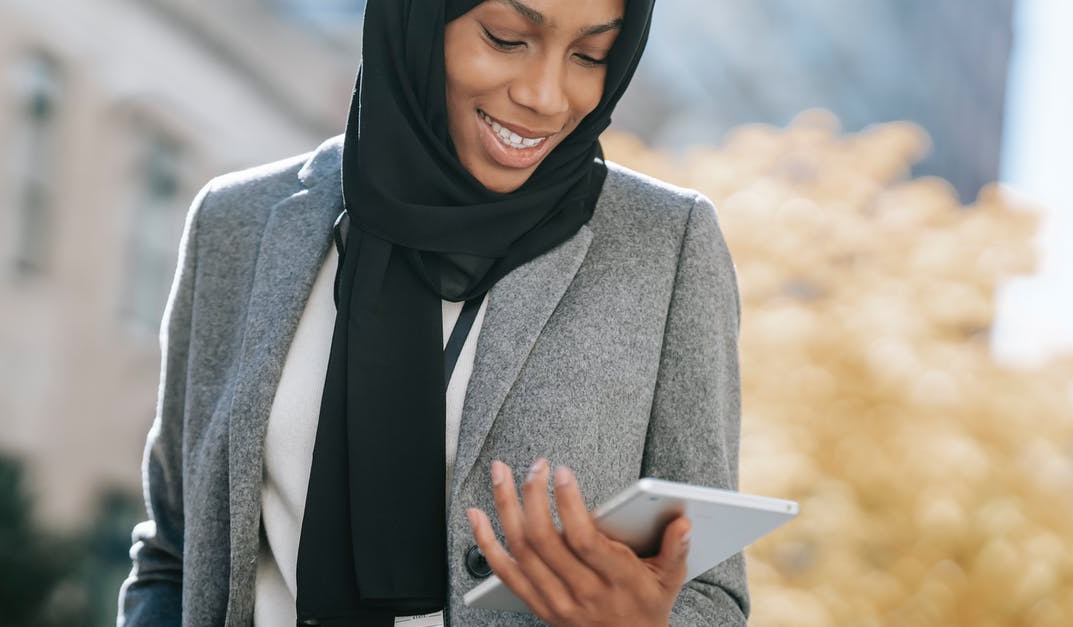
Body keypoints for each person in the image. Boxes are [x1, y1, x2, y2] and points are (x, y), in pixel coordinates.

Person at [118, 0, 748, 625]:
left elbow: (709, 592)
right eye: (506, 38)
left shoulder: (665, 244)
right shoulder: (238, 221)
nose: (547, 96)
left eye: (590, 56)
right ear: (417, 20)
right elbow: (175, 555)